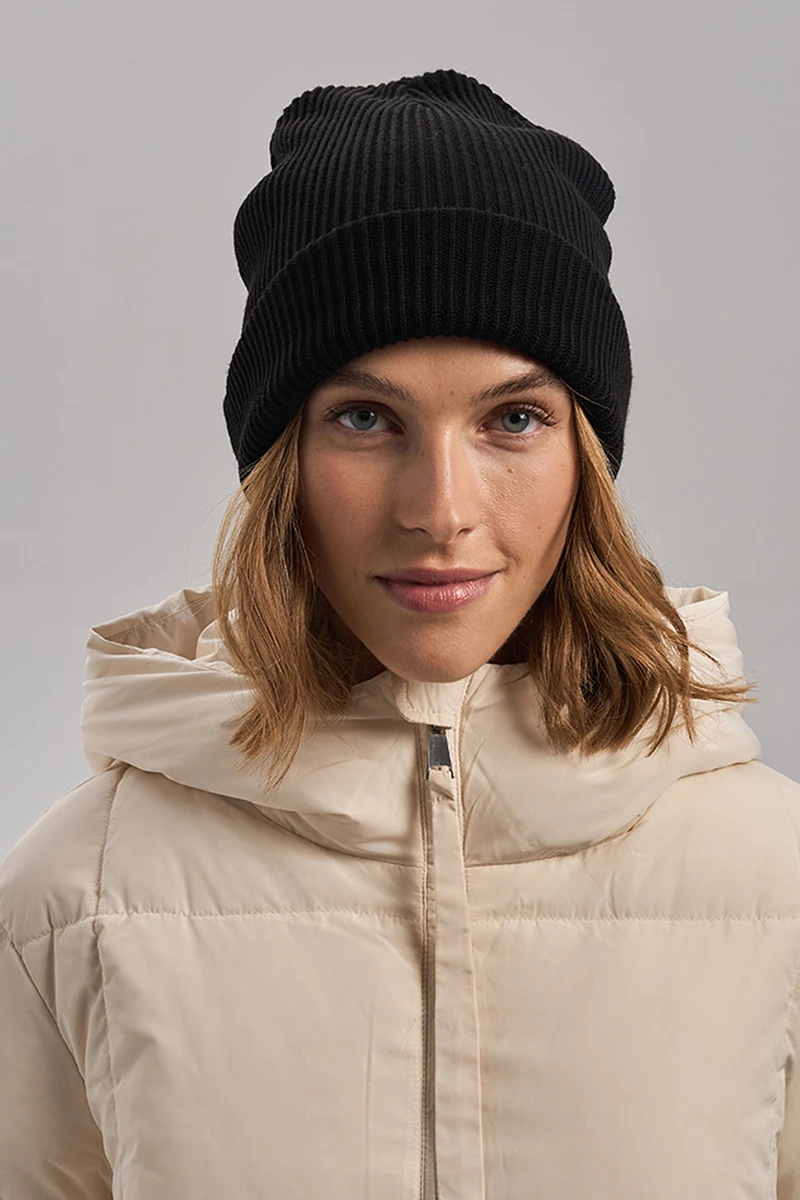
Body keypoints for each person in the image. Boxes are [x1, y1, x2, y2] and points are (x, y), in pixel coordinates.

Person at [1, 66, 798, 1200]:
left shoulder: (772, 877)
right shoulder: (75, 896)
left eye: (512, 418)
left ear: (585, 458)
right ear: (281, 462)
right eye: (365, 418)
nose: (439, 510)